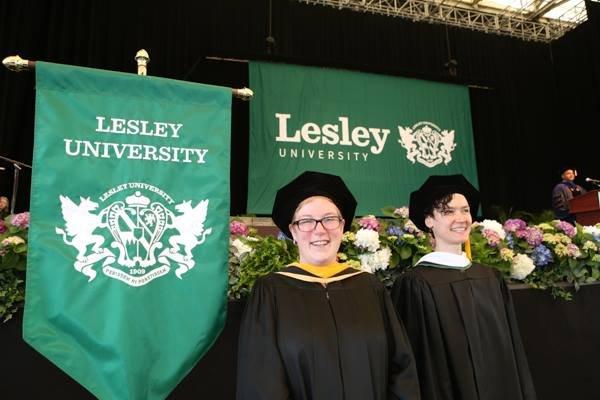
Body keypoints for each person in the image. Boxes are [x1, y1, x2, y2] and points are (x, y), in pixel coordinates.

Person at [236, 171, 420, 400]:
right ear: (292, 231)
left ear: (342, 226)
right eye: (306, 221)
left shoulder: (370, 288)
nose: (320, 229)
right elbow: (261, 381)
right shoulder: (272, 292)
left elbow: (401, 369)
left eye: (330, 219)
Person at [391, 174, 536, 400]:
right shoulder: (415, 285)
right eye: (448, 211)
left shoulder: (489, 277)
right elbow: (419, 363)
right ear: (429, 220)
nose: (460, 218)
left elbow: (512, 352)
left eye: (465, 210)